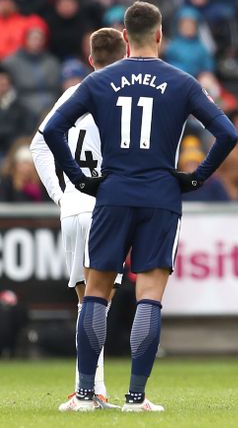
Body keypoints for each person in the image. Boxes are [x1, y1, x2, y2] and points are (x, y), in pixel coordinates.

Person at [41, 1, 238, 412]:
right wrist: (196, 177)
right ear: (161, 35)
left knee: (95, 293)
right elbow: (227, 133)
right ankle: (135, 398)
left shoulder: (98, 81)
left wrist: (79, 179)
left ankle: (83, 395)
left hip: (112, 194)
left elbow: (53, 130)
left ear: (125, 38)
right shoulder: (182, 82)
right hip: (161, 197)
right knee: (150, 296)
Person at [29, 27, 127, 410]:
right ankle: (92, 390)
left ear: (90, 60)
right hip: (107, 205)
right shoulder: (121, 96)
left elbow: (39, 143)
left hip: (73, 206)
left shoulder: (73, 94)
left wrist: (59, 192)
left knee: (86, 301)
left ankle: (85, 390)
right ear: (124, 57)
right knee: (100, 302)